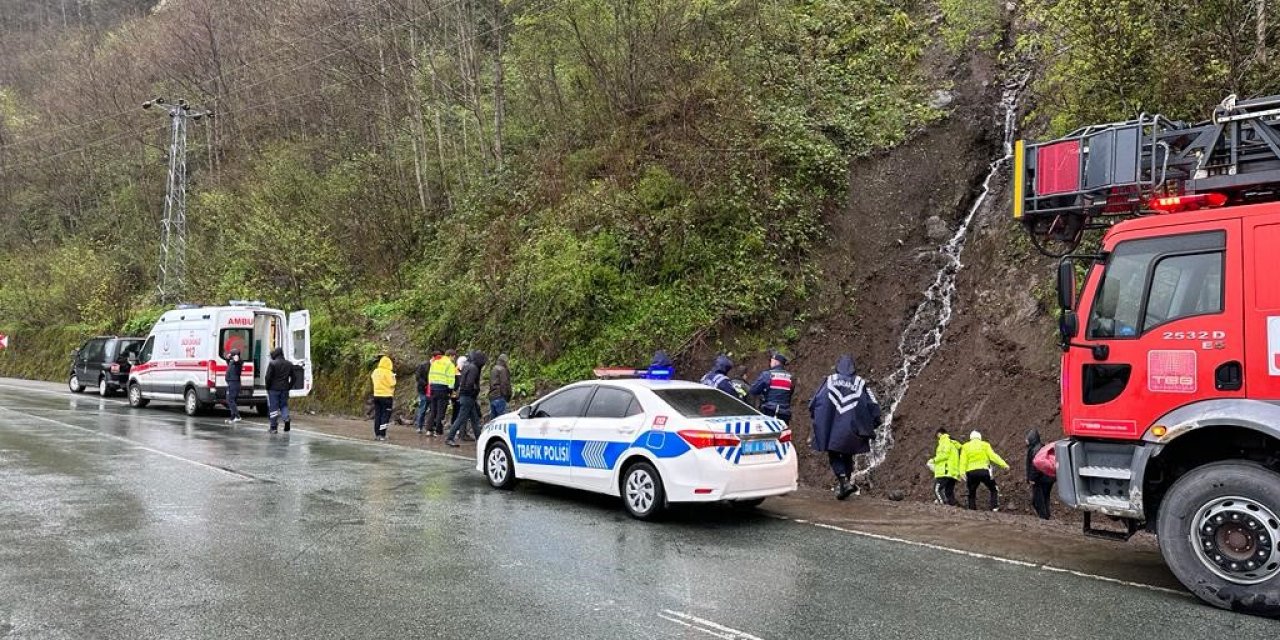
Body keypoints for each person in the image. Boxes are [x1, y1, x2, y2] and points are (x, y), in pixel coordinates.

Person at [808, 354, 881, 500]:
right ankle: (844, 486)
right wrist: (874, 421)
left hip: (833, 426)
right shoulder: (860, 383)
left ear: (838, 366)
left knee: (833, 452)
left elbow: (816, 400)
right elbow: (873, 403)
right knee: (848, 454)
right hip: (853, 428)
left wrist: (817, 417)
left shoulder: (830, 380)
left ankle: (843, 481)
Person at [961, 430, 1009, 511]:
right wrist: (1004, 465)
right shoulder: (985, 445)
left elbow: (963, 461)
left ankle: (972, 510)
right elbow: (993, 456)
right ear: (980, 437)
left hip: (971, 473)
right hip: (984, 471)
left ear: (970, 438)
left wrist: (962, 472)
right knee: (993, 489)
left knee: (971, 492)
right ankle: (994, 507)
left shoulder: (965, 446)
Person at [446, 351, 487, 447]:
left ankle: (480, 439)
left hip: (466, 396)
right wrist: (474, 391)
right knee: (461, 418)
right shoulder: (474, 368)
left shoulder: (467, 366)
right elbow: (469, 383)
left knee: (474, 419)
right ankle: (449, 438)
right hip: (468, 396)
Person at [748, 350, 794, 423]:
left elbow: (753, 390)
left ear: (775, 362)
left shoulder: (767, 375)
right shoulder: (790, 378)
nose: (770, 363)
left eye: (771, 361)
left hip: (769, 411)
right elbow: (790, 393)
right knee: (782, 433)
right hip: (784, 414)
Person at [426, 349, 458, 435]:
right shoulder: (449, 364)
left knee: (433, 409)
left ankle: (429, 429)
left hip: (433, 388)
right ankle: (438, 429)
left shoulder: (435, 362)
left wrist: (431, 386)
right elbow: (451, 378)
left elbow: (430, 375)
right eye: (454, 357)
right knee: (441, 410)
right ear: (451, 356)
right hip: (443, 389)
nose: (454, 359)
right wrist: (450, 390)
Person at [264, 347, 294, 434]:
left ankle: (273, 428)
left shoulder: (272, 364)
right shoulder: (289, 364)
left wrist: (267, 387)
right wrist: (289, 386)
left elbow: (268, 377)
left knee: (273, 407)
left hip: (273, 389)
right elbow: (294, 378)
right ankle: (286, 419)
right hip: (284, 389)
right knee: (284, 406)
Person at [929, 427, 962, 506]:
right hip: (952, 472)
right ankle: (955, 507)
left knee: (937, 489)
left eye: (937, 435)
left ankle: (942, 505)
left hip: (945, 471)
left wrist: (933, 460)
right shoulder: (953, 443)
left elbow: (945, 454)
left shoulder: (945, 440)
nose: (937, 437)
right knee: (949, 492)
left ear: (940, 433)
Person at [1026, 429, 1055, 519]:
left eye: (1027, 438)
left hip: (1040, 479)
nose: (1026, 440)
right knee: (1045, 498)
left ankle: (1044, 518)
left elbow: (1036, 465)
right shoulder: (1041, 447)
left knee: (1037, 501)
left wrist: (1032, 478)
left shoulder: (1035, 450)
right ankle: (1046, 517)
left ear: (1031, 439)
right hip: (1049, 478)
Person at [371, 355, 396, 441]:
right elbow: (392, 383)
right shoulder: (389, 373)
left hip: (376, 395)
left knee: (378, 415)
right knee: (385, 416)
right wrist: (394, 377)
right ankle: (382, 434)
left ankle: (377, 434)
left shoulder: (375, 372)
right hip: (386, 396)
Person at [414, 352, 439, 434]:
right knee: (423, 408)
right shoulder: (423, 365)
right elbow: (418, 376)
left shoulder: (437, 366)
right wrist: (425, 384)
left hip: (433, 390)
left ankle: (430, 427)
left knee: (432, 409)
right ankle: (419, 426)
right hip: (423, 390)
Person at [224, 348, 245, 424]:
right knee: (231, 400)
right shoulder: (231, 362)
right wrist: (228, 357)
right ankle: (233, 418)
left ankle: (238, 416)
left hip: (234, 383)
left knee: (230, 400)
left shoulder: (239, 362)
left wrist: (236, 358)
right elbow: (227, 361)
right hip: (231, 383)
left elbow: (238, 362)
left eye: (232, 355)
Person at [489, 353, 512, 420]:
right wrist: (507, 396)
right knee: (504, 420)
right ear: (504, 361)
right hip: (500, 397)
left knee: (494, 421)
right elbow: (505, 384)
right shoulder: (502, 370)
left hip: (492, 397)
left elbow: (490, 383)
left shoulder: (493, 369)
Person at [449, 352, 469, 429]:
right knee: (456, 410)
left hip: (461, 393)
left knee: (459, 410)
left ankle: (458, 427)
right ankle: (454, 425)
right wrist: (453, 395)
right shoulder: (455, 371)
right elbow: (453, 384)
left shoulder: (463, 370)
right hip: (455, 394)